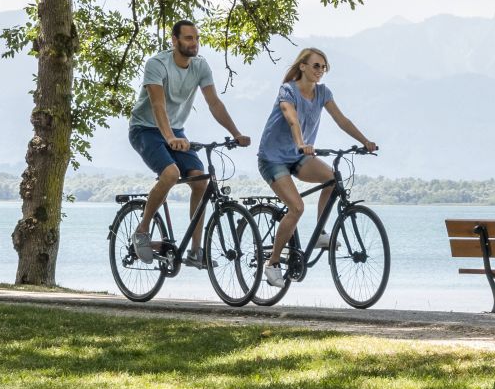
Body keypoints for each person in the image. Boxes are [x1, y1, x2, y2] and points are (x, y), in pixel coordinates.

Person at [129, 21, 251, 266]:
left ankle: (196, 251)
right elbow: (157, 105)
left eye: (196, 38)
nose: (193, 43)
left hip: (175, 130)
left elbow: (214, 103)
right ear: (174, 41)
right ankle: (142, 230)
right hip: (145, 129)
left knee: (201, 182)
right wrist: (170, 138)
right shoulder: (157, 64)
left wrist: (236, 133)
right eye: (187, 38)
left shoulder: (200, 65)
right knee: (171, 174)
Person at [256, 47, 377, 287]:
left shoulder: (323, 93)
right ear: (302, 66)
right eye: (316, 66)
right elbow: (291, 118)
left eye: (324, 67)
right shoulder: (288, 90)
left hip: (297, 156)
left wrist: (364, 141)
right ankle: (272, 263)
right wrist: (301, 143)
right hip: (273, 157)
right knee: (297, 208)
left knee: (332, 180)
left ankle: (321, 232)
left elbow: (342, 120)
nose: (320, 71)